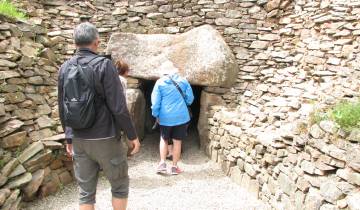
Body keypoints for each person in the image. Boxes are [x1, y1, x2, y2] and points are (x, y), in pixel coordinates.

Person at [58, 22, 141, 210]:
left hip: (79, 138)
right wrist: (132, 135)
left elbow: (63, 108)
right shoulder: (105, 66)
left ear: (74, 42)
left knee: (85, 193)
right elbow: (118, 107)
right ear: (96, 42)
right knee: (119, 187)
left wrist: (68, 137)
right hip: (106, 138)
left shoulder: (65, 68)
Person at [151, 64, 194, 175]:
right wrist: (185, 103)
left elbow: (155, 102)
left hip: (165, 116)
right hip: (181, 116)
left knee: (164, 139)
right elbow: (190, 99)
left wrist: (156, 114)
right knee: (177, 142)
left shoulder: (159, 83)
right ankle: (174, 167)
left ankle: (162, 163)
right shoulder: (183, 81)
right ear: (175, 71)